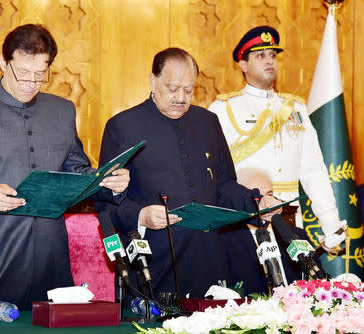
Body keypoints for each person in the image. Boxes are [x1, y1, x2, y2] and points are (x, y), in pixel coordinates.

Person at [0, 24, 130, 313]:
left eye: (41, 74)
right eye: (22, 73)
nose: (31, 83)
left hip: (51, 264)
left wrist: (106, 180)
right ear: (3, 63)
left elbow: (76, 170)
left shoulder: (62, 110)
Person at [95, 47, 281, 304]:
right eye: (172, 88)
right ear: (152, 80)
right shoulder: (122, 127)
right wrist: (141, 216)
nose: (181, 98)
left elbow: (225, 186)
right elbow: (106, 204)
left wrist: (256, 202)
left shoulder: (208, 122)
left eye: (189, 90)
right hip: (154, 262)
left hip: (209, 259)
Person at [208, 26, 346, 252]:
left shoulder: (297, 108)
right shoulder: (223, 108)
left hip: (290, 218)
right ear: (242, 65)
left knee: (292, 285)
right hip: (245, 217)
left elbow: (314, 171)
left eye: (272, 55)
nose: (269, 61)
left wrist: (330, 222)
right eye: (260, 55)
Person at [221, 167, 323, 295]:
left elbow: (319, 281)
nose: (268, 202)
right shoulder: (226, 242)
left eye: (269, 195)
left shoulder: (298, 235)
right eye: (258, 197)